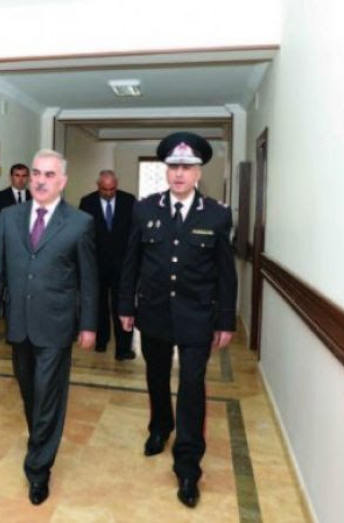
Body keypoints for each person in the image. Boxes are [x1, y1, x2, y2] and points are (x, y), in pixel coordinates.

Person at [118, 132, 237, 509]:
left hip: (197, 316)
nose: (179, 174)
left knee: (191, 384)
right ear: (166, 171)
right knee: (155, 376)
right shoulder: (145, 209)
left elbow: (226, 273)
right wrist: (125, 305)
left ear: (199, 172)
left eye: (187, 167)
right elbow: (131, 261)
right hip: (153, 312)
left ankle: (187, 465)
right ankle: (160, 428)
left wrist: (225, 320)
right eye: (173, 167)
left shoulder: (217, 214)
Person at [0, 149, 97, 506]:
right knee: (30, 393)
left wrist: (89, 325)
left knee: (49, 394)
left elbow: (89, 280)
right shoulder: (9, 217)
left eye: (49, 175)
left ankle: (38, 469)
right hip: (19, 324)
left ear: (62, 181)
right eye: (36, 173)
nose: (40, 180)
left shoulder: (79, 223)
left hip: (56, 325)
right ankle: (41, 441)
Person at [79, 170, 136, 360]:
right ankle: (101, 342)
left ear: (116, 186)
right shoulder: (87, 202)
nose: (109, 193)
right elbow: (84, 235)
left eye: (112, 189)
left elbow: (134, 233)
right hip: (97, 264)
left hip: (123, 265)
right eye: (104, 189)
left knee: (123, 306)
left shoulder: (129, 201)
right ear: (98, 186)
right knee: (99, 304)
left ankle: (123, 349)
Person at [0, 163, 29, 238]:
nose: (21, 179)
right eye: (17, 175)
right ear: (11, 177)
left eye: (24, 176)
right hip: (7, 239)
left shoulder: (35, 197)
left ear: (28, 178)